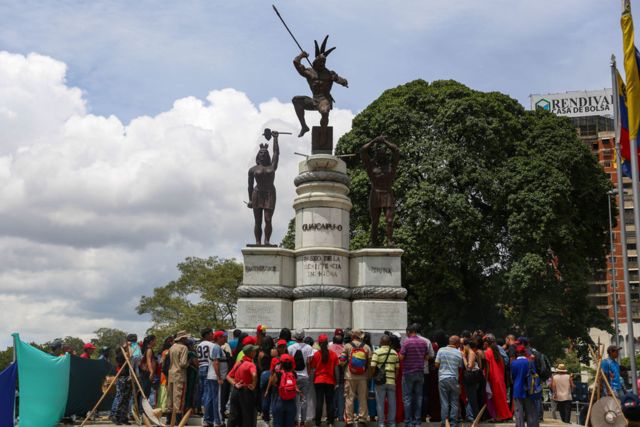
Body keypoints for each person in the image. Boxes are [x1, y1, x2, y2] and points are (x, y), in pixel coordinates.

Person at [291, 36, 348, 137]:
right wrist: (301, 55)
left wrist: (338, 80)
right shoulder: (310, 72)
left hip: (324, 100)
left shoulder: (329, 74)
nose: (322, 63)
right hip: (314, 101)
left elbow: (344, 81)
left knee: (325, 111)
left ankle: (323, 132)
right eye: (320, 61)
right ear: (315, 61)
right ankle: (304, 126)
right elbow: (296, 63)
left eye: (324, 62)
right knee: (296, 100)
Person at [360, 135, 401, 246]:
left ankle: (389, 241)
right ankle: (374, 241)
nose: (381, 156)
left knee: (389, 221)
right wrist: (374, 141)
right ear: (376, 156)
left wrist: (385, 141)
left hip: (388, 193)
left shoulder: (391, 166)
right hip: (375, 193)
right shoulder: (371, 166)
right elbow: (363, 150)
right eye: (379, 154)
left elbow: (396, 150)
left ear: (385, 155)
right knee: (375, 221)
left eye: (383, 154)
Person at [247, 132, 280, 246]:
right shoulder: (253, 169)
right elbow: (250, 186)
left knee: (268, 219)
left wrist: (275, 139)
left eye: (265, 153)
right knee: (258, 221)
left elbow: (276, 153)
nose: (263, 154)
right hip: (257, 194)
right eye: (261, 153)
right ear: (258, 155)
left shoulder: (272, 166)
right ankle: (257, 242)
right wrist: (250, 200)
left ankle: (267, 241)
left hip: (270, 193)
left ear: (268, 155)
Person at [400, 324, 428, 427]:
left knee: (407, 398)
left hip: (408, 373)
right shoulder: (423, 342)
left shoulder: (406, 342)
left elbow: (401, 357)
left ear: (409, 332)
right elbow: (426, 356)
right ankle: (417, 422)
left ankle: (408, 422)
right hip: (420, 372)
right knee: (419, 397)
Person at [342, 329, 372, 426]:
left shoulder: (347, 346)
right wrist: (368, 375)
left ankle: (349, 420)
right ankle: (362, 419)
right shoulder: (367, 347)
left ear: (352, 336)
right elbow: (370, 363)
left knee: (349, 398)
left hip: (349, 376)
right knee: (363, 398)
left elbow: (341, 361)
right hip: (363, 377)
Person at [370, 334, 400, 427]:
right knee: (392, 403)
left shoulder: (377, 352)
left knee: (380, 403)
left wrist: (373, 376)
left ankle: (381, 423)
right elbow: (397, 368)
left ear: (381, 342)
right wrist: (394, 378)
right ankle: (391, 423)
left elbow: (372, 366)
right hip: (391, 381)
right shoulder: (394, 353)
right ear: (389, 343)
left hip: (380, 381)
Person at [310, 334, 339, 427]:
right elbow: (336, 369)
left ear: (319, 343)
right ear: (327, 343)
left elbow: (313, 369)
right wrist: (337, 381)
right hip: (330, 381)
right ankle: (330, 422)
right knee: (330, 402)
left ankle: (317, 423)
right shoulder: (333, 354)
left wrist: (313, 380)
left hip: (318, 381)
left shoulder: (316, 354)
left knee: (319, 402)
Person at [435, 335, 464, 427]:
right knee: (454, 402)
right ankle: (453, 423)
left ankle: (444, 423)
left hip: (443, 379)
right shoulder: (459, 353)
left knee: (444, 402)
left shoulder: (441, 350)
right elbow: (460, 366)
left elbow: (436, 364)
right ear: (457, 343)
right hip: (454, 379)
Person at [227, 344, 259, 427]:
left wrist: (235, 384)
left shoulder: (239, 363)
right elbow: (254, 374)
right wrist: (254, 384)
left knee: (234, 415)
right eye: (254, 351)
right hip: (246, 392)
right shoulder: (251, 364)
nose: (256, 352)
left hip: (236, 391)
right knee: (248, 416)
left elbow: (228, 376)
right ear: (251, 353)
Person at [288, 329, 314, 425]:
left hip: (294, 376)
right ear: (303, 336)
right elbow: (308, 362)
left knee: (294, 400)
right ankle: (303, 421)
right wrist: (308, 373)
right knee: (304, 399)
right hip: (304, 376)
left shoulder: (290, 348)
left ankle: (295, 421)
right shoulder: (309, 348)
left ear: (295, 336)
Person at [484, 334, 512, 422]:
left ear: (486, 343)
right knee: (502, 397)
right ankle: (505, 415)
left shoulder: (487, 352)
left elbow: (487, 367)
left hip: (493, 378)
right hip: (500, 378)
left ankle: (501, 416)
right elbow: (503, 365)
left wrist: (486, 378)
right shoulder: (498, 352)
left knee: (497, 399)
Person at [510, 345, 539, 427]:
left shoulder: (513, 363)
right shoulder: (530, 362)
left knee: (518, 411)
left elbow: (512, 376)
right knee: (530, 411)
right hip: (529, 389)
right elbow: (534, 375)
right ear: (525, 352)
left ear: (517, 353)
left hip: (517, 389)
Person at [167, 330, 191, 424]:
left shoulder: (172, 347)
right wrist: (189, 363)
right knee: (179, 397)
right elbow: (183, 363)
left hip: (171, 374)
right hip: (180, 374)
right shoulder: (184, 347)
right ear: (183, 338)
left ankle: (169, 419)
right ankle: (178, 420)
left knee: (170, 397)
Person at [205, 331, 227, 427]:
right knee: (217, 400)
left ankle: (208, 420)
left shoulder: (215, 347)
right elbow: (216, 362)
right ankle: (218, 422)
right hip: (215, 377)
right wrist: (219, 377)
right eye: (223, 337)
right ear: (218, 338)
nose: (225, 338)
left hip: (212, 376)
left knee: (211, 399)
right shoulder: (217, 347)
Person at [271, 354, 299, 427]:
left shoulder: (278, 374)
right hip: (291, 401)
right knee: (290, 424)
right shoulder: (294, 374)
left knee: (278, 423)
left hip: (279, 400)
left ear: (281, 363)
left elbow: (273, 383)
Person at [462, 338, 482, 420]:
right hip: (473, 377)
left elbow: (469, 367)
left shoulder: (471, 353)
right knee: (472, 398)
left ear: (467, 346)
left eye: (464, 346)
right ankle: (475, 416)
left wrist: (463, 358)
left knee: (472, 398)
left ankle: (476, 417)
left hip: (471, 377)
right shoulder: (472, 353)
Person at [198, 328, 215, 425]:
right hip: (208, 367)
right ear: (207, 335)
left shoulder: (199, 345)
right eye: (211, 334)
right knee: (209, 393)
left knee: (204, 392)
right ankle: (207, 417)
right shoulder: (211, 345)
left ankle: (204, 414)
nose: (212, 335)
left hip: (201, 367)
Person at [111, 346, 132, 425]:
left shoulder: (126, 354)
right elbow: (120, 367)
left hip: (127, 377)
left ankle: (123, 417)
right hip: (122, 378)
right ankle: (116, 416)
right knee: (120, 397)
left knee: (126, 398)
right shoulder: (120, 355)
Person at [329, 329, 346, 422]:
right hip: (338, 376)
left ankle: (335, 416)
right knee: (339, 397)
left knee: (335, 397)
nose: (339, 337)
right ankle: (338, 416)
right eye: (338, 335)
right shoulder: (344, 348)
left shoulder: (330, 347)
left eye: (339, 335)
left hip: (335, 376)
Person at [139, 335, 157, 410]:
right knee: (145, 393)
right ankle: (142, 411)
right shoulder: (149, 350)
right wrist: (151, 372)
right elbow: (149, 361)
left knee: (145, 392)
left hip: (145, 373)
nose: (156, 342)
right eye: (155, 340)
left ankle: (142, 410)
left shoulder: (147, 349)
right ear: (151, 341)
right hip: (146, 373)